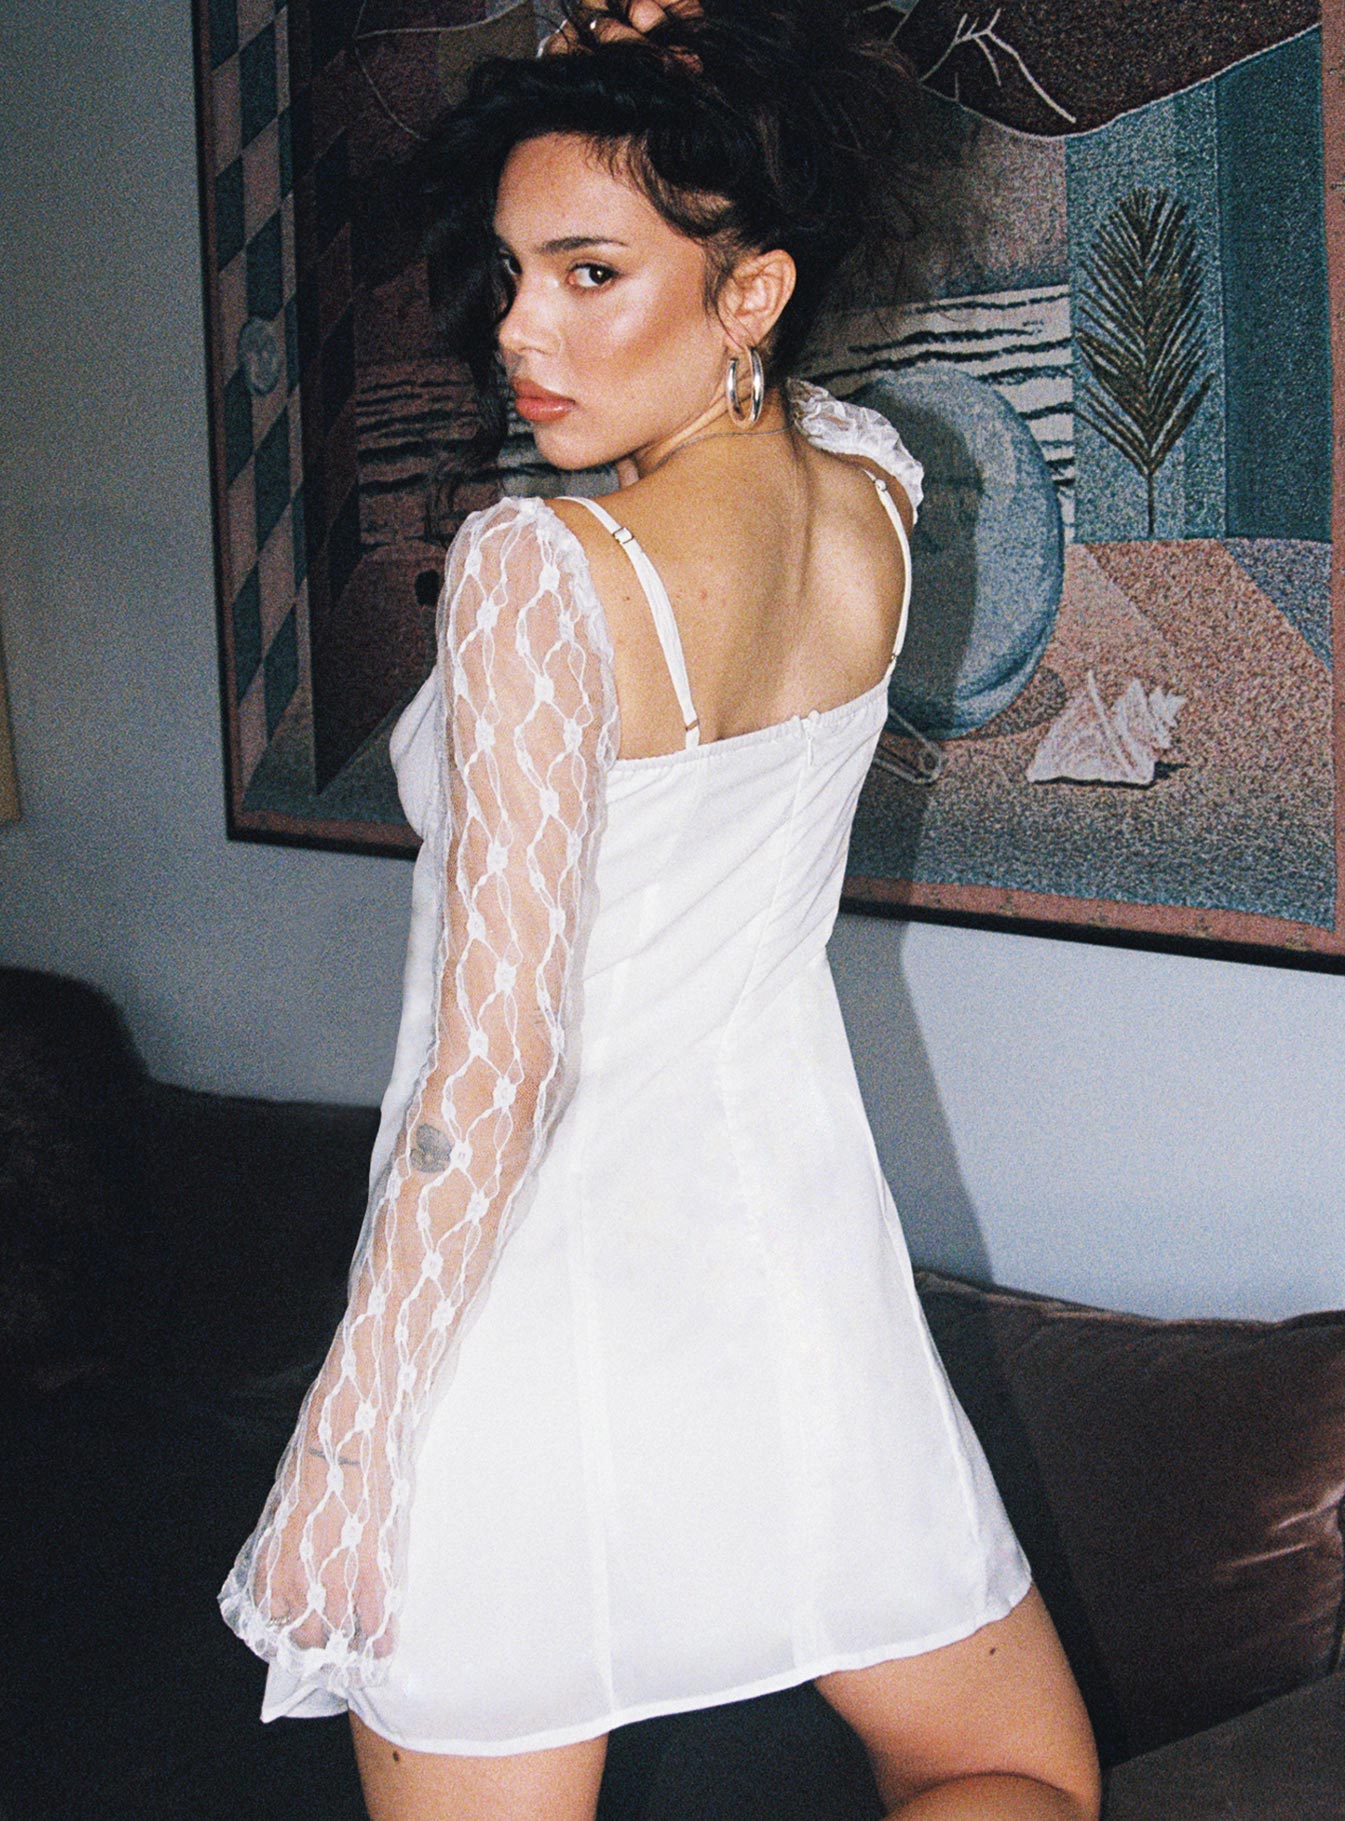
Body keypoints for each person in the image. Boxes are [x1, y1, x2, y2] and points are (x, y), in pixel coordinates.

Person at [219, 4, 1102, 1816]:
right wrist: (688, 94)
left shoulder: (540, 571)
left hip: (526, 1299)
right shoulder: (870, 494)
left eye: (588, 271)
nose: (516, 329)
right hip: (791, 1273)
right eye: (509, 271)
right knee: (1014, 1775)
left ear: (751, 290)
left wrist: (349, 1437)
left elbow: (495, 1064)